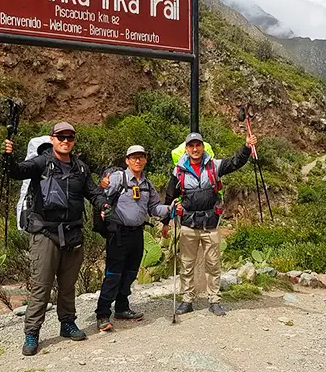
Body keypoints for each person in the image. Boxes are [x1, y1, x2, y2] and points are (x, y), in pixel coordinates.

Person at [3, 122, 109, 356]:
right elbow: (16, 172)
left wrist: (103, 204)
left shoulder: (80, 168)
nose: (65, 141)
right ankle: (32, 333)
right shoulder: (42, 163)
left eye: (70, 137)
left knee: (68, 285)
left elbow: (93, 192)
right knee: (41, 286)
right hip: (45, 233)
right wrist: (8, 157)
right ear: (52, 139)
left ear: (74, 141)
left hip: (73, 233)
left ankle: (67, 323)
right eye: (61, 136)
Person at [164, 131, 257, 316]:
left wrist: (246, 147)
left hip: (211, 224)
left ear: (203, 147)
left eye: (198, 145)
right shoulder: (179, 170)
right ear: (187, 149)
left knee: (213, 264)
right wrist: (165, 222)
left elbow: (235, 162)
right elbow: (170, 195)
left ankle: (214, 300)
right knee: (187, 264)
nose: (195, 149)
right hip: (188, 225)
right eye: (191, 146)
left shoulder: (214, 165)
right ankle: (187, 300)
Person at [94, 145, 182, 332]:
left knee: (130, 273)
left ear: (145, 160)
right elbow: (100, 196)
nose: (137, 160)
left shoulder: (147, 185)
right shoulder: (119, 178)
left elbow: (154, 209)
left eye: (141, 157)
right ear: (127, 160)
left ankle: (122, 308)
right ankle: (102, 314)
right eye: (133, 157)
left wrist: (170, 209)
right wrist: (102, 195)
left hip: (137, 234)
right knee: (113, 274)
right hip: (117, 234)